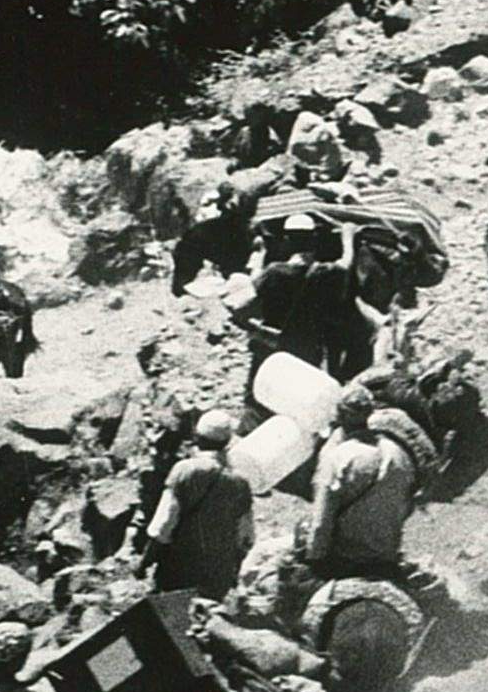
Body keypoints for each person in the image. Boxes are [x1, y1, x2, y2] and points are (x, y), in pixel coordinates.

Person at [235, 220, 372, 383]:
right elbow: (346, 264)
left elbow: (247, 295)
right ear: (314, 239)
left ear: (286, 240)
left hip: (272, 347)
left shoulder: (273, 272)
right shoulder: (325, 272)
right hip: (307, 350)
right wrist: (347, 237)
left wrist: (261, 253)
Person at [305, 391, 419, 584]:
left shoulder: (337, 457)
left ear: (341, 418)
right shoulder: (397, 453)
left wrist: (314, 564)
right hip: (385, 557)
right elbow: (406, 506)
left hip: (344, 559)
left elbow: (321, 523)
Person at [143, 412, 254, 603]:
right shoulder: (240, 483)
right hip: (216, 578)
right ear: (227, 442)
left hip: (178, 570)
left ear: (197, 438)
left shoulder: (184, 470)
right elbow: (246, 538)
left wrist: (144, 562)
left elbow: (163, 525)